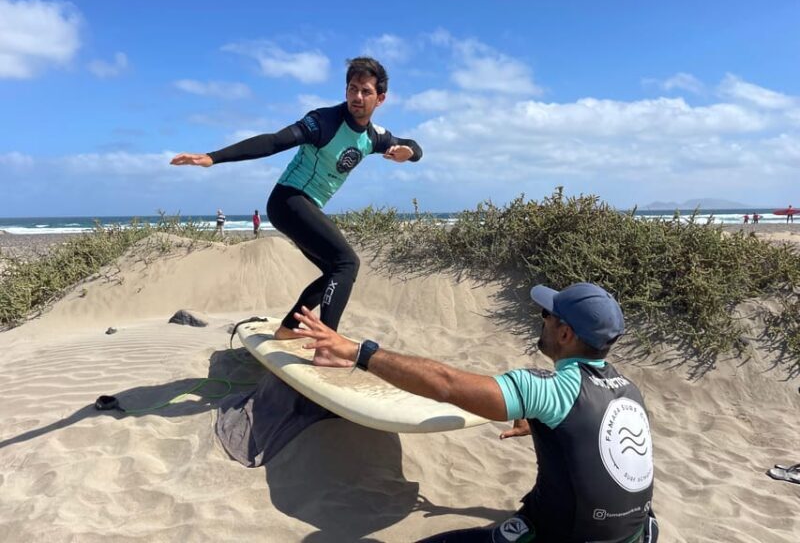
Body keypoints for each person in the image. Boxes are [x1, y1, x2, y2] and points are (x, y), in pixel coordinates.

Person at [294, 282, 658, 542]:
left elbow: (445, 384)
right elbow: (597, 441)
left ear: (565, 334)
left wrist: (357, 351)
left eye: (547, 314)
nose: (541, 319)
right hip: (638, 534)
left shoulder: (550, 390)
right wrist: (541, 422)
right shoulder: (630, 392)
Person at [170, 57, 423, 366]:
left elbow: (411, 145)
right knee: (346, 262)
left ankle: (289, 328)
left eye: (366, 91)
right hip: (289, 200)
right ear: (345, 90)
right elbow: (274, 141)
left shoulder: (374, 138)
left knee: (336, 270)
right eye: (352, 89)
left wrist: (408, 154)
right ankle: (327, 348)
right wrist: (213, 157)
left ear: (380, 98)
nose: (357, 97)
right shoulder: (325, 122)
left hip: (306, 205)